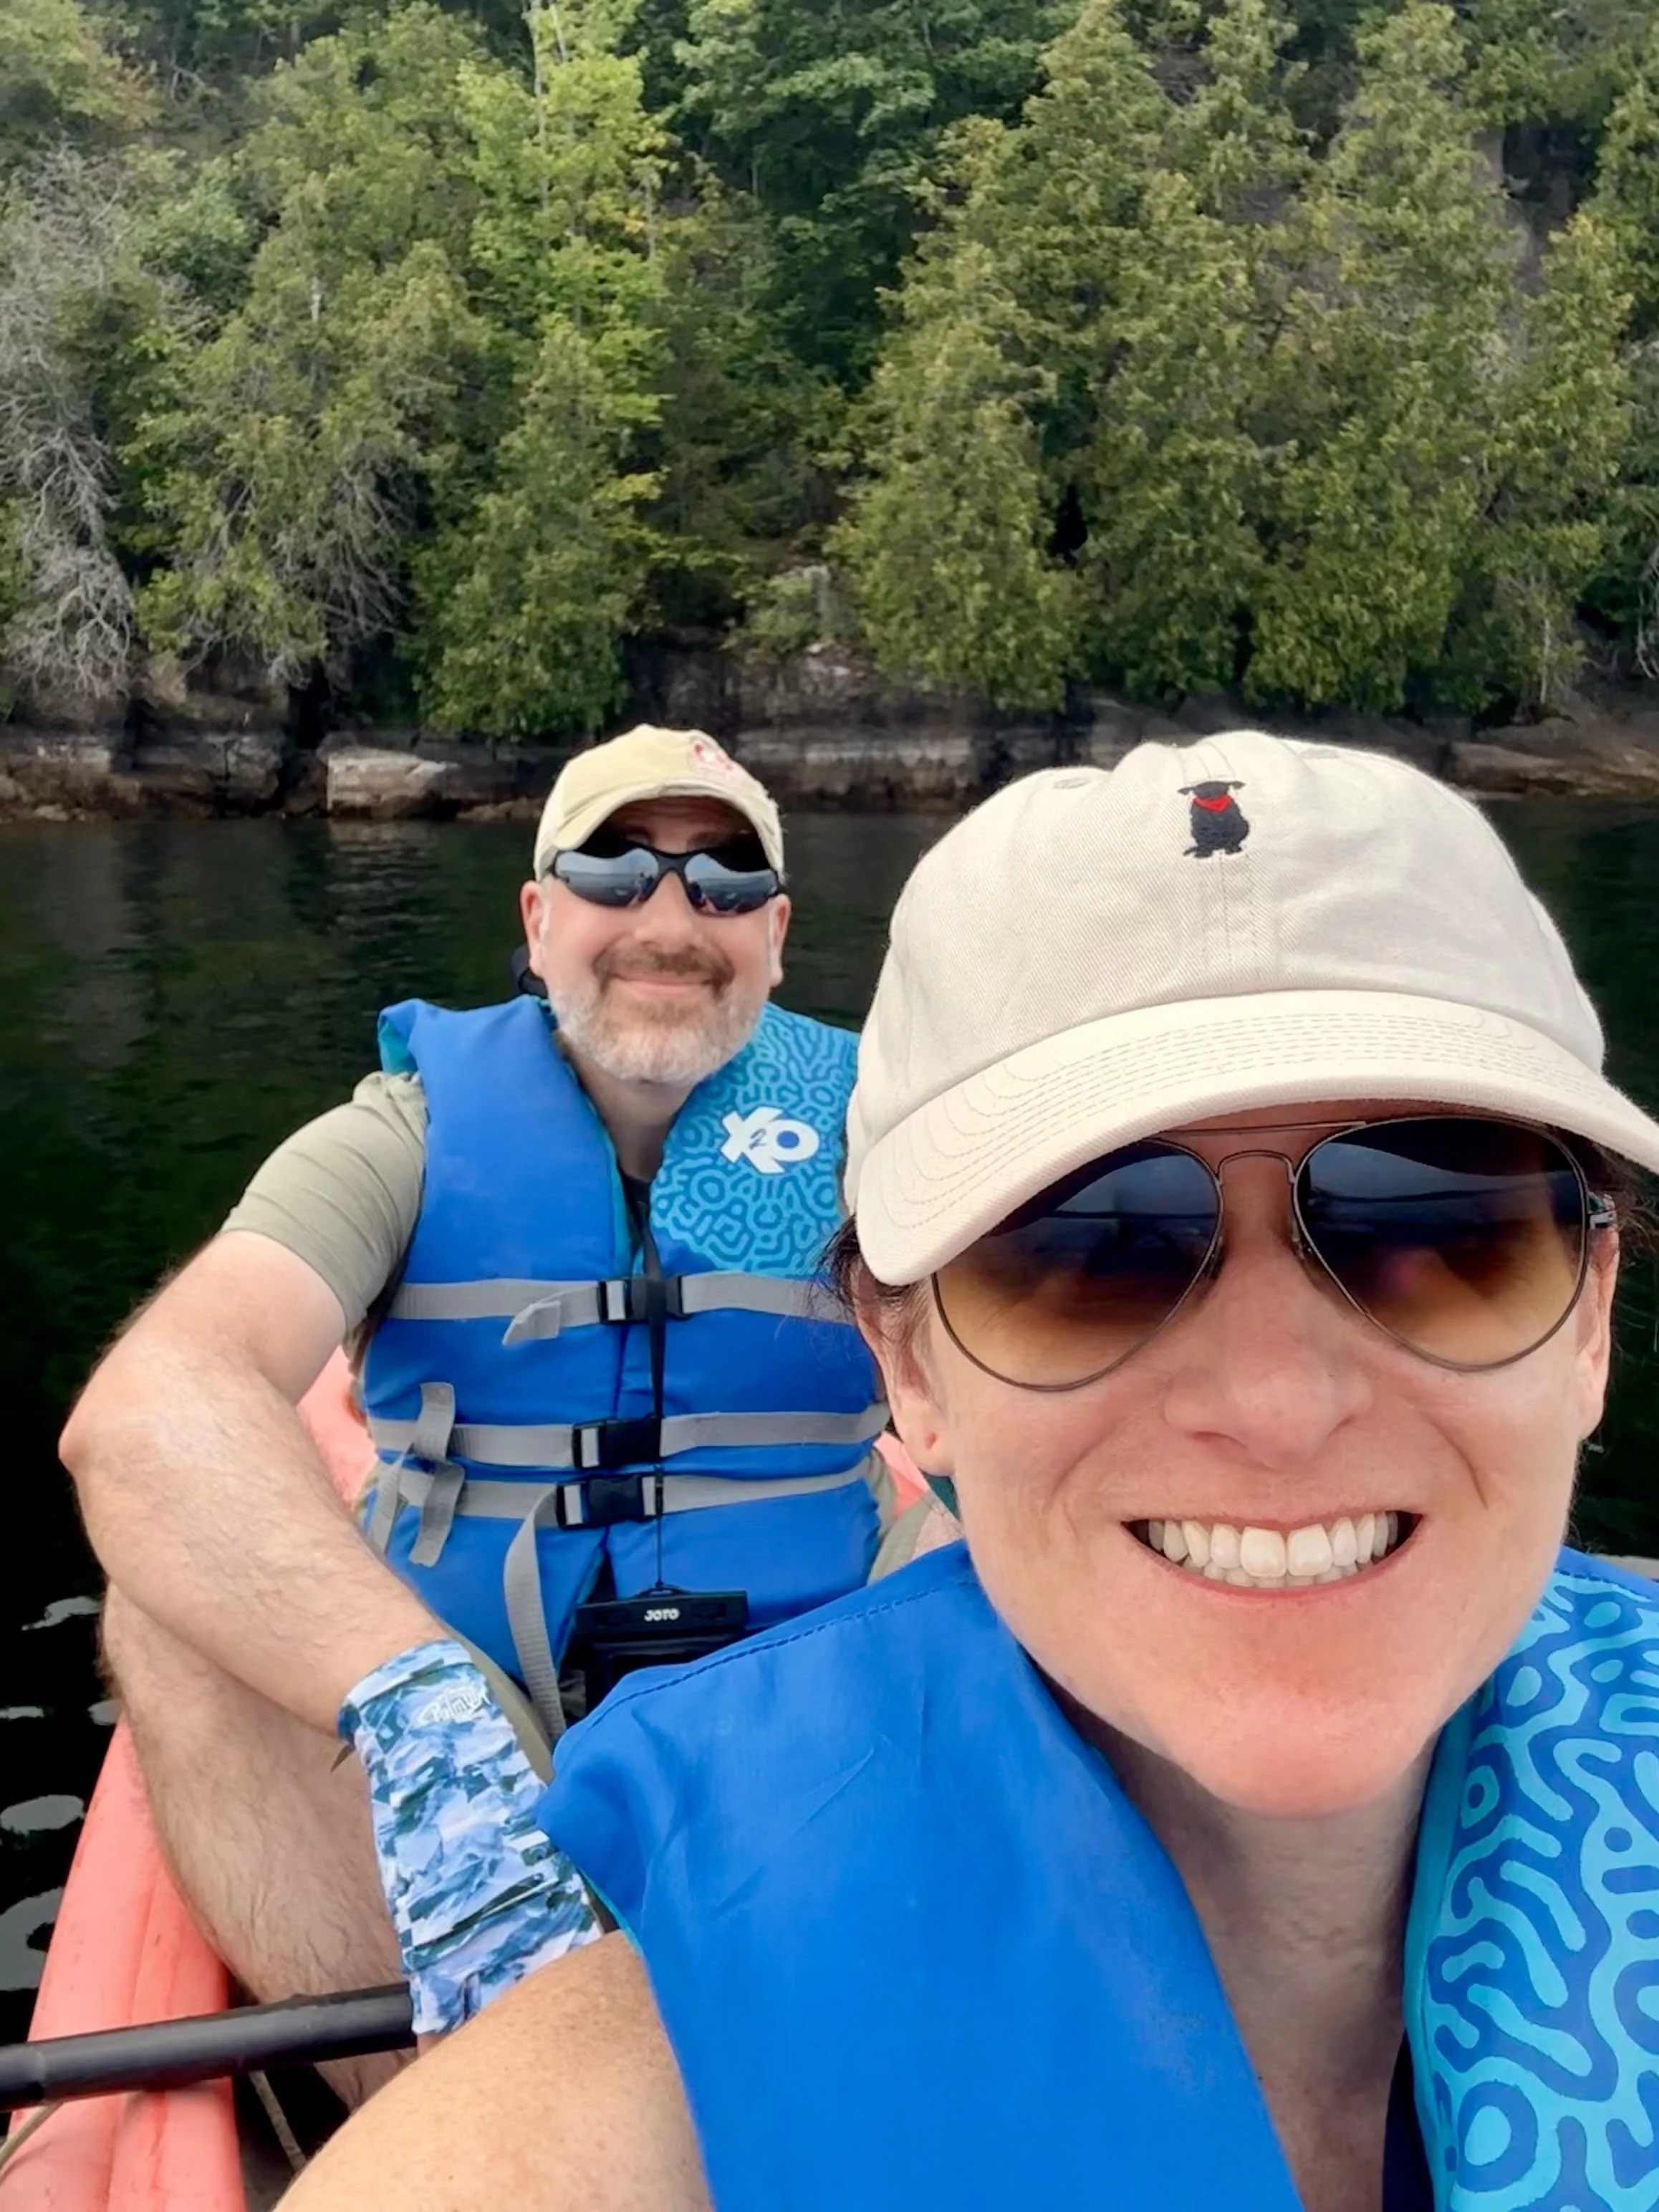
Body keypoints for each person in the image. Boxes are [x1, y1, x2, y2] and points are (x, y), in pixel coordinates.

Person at [282, 731, 1659, 2212]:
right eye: (1091, 1250)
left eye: (1437, 1226)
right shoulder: (620, 2102)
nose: (1278, 1404)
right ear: (911, 1370)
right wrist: (406, 1682)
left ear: (1591, 1318)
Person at [59, 725, 885, 2084]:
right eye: (615, 869)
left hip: (807, 1698)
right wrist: (416, 1704)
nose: (670, 918)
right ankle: (442, 2097)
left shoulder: (876, 1140)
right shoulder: (405, 1134)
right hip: (484, 1705)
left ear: (776, 935)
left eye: (725, 879)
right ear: (540, 917)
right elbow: (152, 1405)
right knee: (163, 1605)